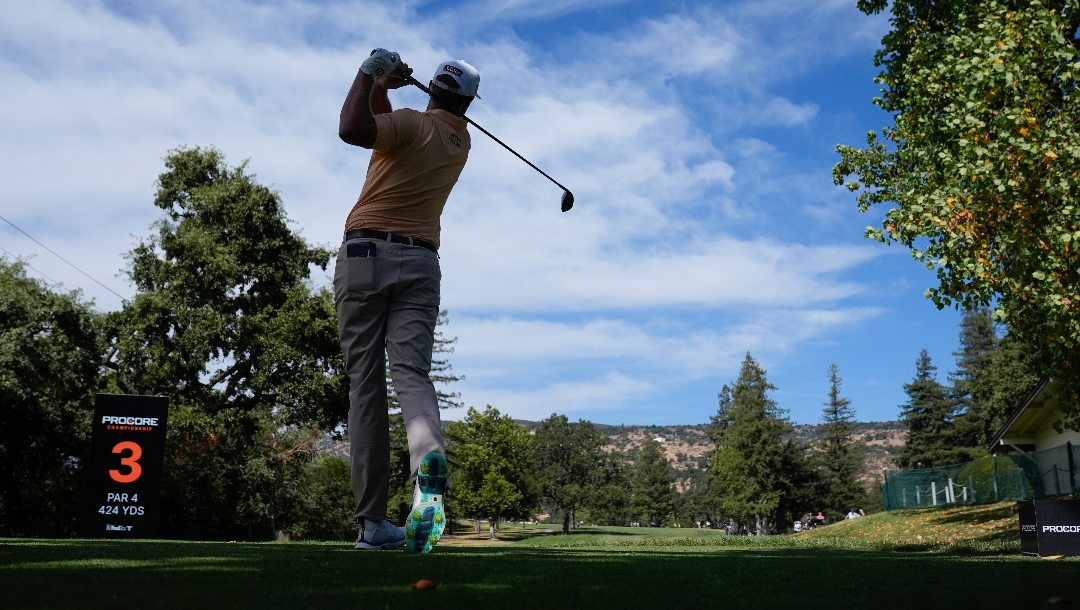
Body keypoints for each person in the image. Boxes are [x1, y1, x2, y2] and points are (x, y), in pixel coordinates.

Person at [335, 48, 480, 552]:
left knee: (365, 385)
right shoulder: (459, 140)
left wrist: (370, 72)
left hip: (366, 253)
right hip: (422, 262)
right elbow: (383, 122)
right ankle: (428, 463)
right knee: (412, 375)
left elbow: (354, 129)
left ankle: (373, 523)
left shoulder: (410, 125)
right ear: (469, 102)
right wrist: (385, 89)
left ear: (433, 89)